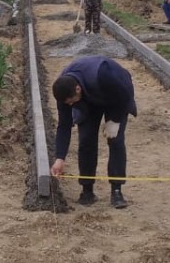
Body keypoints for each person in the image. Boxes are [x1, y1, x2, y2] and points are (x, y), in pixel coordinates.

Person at [51, 56, 137, 209]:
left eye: (71, 101)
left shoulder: (104, 74)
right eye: (67, 103)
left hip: (115, 97)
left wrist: (115, 120)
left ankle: (116, 190)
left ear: (77, 89)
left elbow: (126, 95)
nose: (70, 105)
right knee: (86, 141)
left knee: (115, 141)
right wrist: (60, 158)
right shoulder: (63, 90)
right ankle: (87, 190)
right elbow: (64, 126)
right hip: (88, 102)